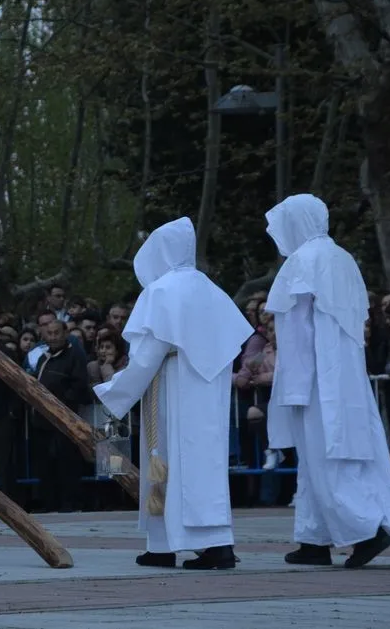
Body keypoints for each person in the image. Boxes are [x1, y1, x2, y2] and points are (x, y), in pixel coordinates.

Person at [94, 217, 253, 570]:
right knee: (204, 464)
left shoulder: (162, 292)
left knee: (165, 460)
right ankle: (208, 543)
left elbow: (146, 356)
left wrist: (113, 392)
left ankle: (168, 545)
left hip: (173, 388)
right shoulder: (211, 291)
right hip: (206, 393)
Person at [263, 194, 390, 568]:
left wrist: (292, 385)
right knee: (325, 458)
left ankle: (366, 531)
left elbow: (298, 330)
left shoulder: (302, 261)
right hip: (344, 373)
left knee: (325, 458)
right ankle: (315, 539)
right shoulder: (341, 257)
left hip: (314, 377)